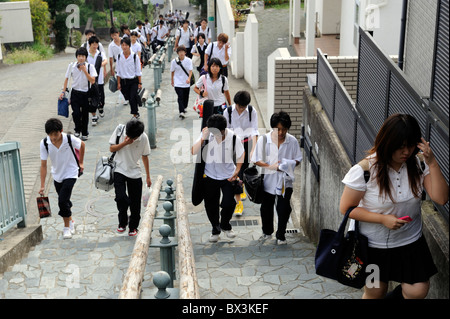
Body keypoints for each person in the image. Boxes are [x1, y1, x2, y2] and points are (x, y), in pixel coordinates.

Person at [339, 113, 448, 299]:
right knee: (375, 292)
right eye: (400, 147)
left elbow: (441, 198)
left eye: (411, 145)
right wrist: (382, 219)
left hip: (410, 244)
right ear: (387, 142)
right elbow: (346, 209)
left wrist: (433, 162)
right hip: (372, 247)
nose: (406, 152)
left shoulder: (419, 165)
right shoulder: (365, 170)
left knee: (417, 291)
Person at [191, 114, 245, 242]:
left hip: (228, 176)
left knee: (229, 203)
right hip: (209, 175)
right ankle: (215, 228)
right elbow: (193, 151)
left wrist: (237, 171)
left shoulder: (233, 137)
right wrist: (203, 139)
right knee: (210, 205)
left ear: (222, 130)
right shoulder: (206, 134)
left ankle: (225, 224)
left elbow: (241, 154)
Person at [251, 111, 302, 245]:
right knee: (266, 209)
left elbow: (298, 159)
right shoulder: (264, 140)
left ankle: (281, 235)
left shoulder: (292, 141)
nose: (280, 133)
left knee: (284, 209)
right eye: (278, 129)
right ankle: (267, 232)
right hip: (268, 180)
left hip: (286, 181)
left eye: (283, 129)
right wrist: (271, 166)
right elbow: (256, 159)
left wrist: (288, 164)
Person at [39, 118, 85, 239]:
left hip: (71, 172)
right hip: (57, 175)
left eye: (56, 134)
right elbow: (43, 165)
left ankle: (66, 228)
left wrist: (81, 163)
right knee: (65, 200)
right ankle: (71, 220)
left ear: (61, 131)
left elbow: (82, 145)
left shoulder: (69, 139)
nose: (53, 138)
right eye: (50, 135)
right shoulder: (44, 143)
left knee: (62, 201)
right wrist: (42, 185)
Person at [109, 119, 152, 236]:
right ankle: (122, 222)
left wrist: (148, 176)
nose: (128, 136)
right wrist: (125, 143)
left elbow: (144, 156)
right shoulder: (120, 130)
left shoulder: (143, 138)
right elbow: (112, 149)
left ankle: (133, 226)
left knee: (135, 202)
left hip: (135, 172)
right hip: (119, 169)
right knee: (121, 198)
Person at [223, 91, 259, 215]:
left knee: (243, 167)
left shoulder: (251, 111)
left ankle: (240, 187)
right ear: (235, 103)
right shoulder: (227, 112)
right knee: (235, 169)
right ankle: (238, 200)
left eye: (243, 106)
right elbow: (225, 130)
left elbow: (254, 130)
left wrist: (253, 149)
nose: (241, 108)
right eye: (239, 106)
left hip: (247, 142)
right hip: (233, 143)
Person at [60, 47, 97, 141]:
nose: (81, 58)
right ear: (77, 57)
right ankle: (77, 129)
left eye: (83, 56)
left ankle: (84, 133)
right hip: (75, 93)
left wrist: (85, 71)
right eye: (79, 56)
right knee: (76, 113)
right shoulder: (71, 66)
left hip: (85, 93)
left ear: (86, 57)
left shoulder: (90, 67)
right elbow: (66, 79)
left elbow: (92, 81)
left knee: (85, 114)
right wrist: (63, 92)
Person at [116, 37, 143, 119]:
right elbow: (118, 71)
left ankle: (134, 114)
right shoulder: (119, 57)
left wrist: (139, 83)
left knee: (132, 97)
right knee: (128, 98)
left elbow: (138, 71)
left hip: (133, 80)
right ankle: (136, 108)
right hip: (124, 82)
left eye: (126, 45)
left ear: (129, 46)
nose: (124, 47)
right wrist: (118, 83)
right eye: (123, 45)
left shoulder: (135, 57)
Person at [87, 36, 107, 124]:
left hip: (99, 80)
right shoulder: (86, 55)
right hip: (90, 80)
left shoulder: (100, 54)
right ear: (90, 45)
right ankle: (94, 116)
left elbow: (105, 60)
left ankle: (101, 107)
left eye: (96, 44)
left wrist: (101, 64)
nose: (95, 46)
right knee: (92, 98)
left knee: (101, 96)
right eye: (93, 44)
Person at [170, 45, 193, 119]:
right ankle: (181, 111)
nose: (181, 53)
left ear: (185, 53)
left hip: (186, 82)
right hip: (178, 82)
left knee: (186, 96)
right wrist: (172, 80)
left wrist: (189, 78)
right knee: (180, 96)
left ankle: (184, 107)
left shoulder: (189, 60)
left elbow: (190, 71)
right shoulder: (174, 61)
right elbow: (172, 71)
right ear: (177, 53)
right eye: (180, 52)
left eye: (182, 52)